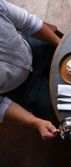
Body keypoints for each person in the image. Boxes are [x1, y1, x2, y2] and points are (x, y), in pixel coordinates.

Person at [0, 0, 61, 140]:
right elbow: (1, 106)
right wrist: (36, 122)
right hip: (22, 89)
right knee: (63, 109)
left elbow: (28, 23)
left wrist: (61, 45)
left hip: (33, 49)